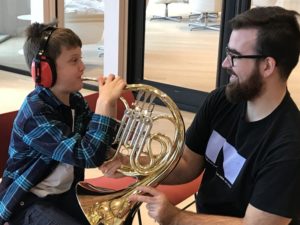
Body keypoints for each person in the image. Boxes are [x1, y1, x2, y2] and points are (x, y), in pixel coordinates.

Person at [101, 6, 300, 225]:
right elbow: (187, 164)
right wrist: (131, 163)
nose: (225, 64)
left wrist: (176, 217)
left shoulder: (289, 147)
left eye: (234, 56)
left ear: (267, 66)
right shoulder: (222, 101)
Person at [0, 22, 126, 225]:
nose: (82, 66)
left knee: (117, 217)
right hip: (28, 202)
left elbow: (97, 141)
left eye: (81, 58)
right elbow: (86, 154)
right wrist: (104, 102)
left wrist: (114, 156)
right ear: (44, 70)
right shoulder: (35, 112)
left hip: (65, 193)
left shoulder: (75, 100)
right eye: (74, 60)